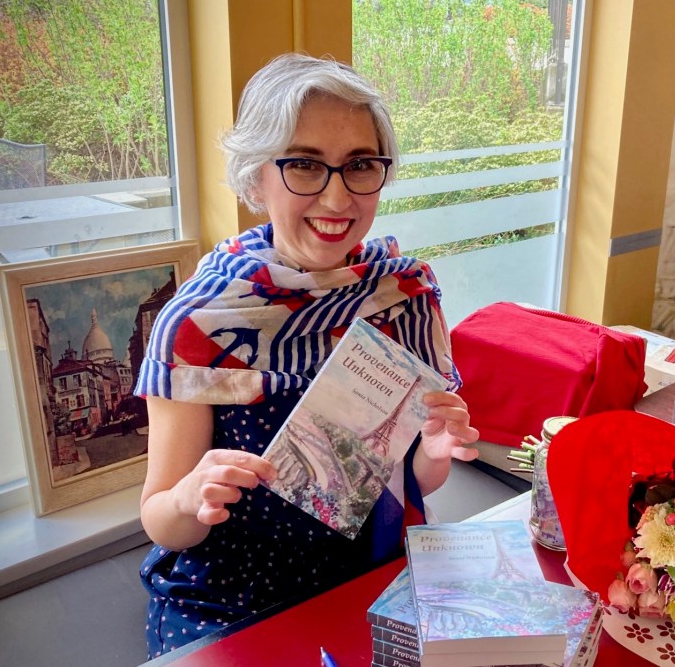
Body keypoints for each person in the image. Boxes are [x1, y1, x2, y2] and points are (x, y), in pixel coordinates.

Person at [134, 53, 479, 658]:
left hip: (370, 575)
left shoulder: (402, 299)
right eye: (304, 165)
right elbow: (162, 521)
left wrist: (433, 449)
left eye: (360, 165)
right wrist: (192, 497)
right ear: (255, 176)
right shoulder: (198, 325)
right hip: (231, 601)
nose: (338, 196)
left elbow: (416, 483)